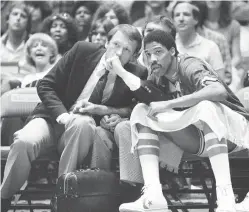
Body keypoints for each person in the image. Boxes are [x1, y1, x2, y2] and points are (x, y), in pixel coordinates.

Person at [0, 24, 147, 212]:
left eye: (126, 49)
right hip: (51, 118)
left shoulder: (135, 73)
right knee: (24, 142)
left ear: (134, 55)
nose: (118, 52)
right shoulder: (82, 50)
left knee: (82, 123)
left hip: (82, 130)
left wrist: (112, 113)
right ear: (106, 42)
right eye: (116, 44)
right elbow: (46, 85)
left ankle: (62, 196)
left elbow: (138, 106)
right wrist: (62, 115)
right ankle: (4, 197)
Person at [108, 30, 249, 212]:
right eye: (148, 54)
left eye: (158, 52)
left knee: (207, 106)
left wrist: (169, 103)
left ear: (173, 51)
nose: (152, 59)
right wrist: (120, 72)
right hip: (199, 137)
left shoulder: (189, 64)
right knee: (142, 111)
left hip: (236, 131)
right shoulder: (157, 74)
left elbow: (218, 91)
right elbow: (149, 100)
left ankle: (225, 197)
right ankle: (154, 195)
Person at [172, 1, 225, 81]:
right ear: (173, 20)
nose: (181, 19)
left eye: (186, 14)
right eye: (177, 15)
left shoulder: (210, 47)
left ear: (196, 20)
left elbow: (221, 82)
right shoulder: (168, 45)